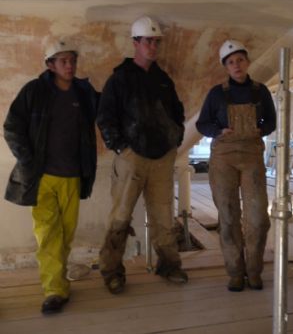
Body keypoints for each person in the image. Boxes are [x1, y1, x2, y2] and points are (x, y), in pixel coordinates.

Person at [3, 39, 99, 315]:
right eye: (63, 61)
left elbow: (105, 110)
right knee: (48, 235)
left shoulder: (83, 92)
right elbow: (12, 127)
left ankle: (59, 283)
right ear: (50, 65)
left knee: (65, 235)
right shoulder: (34, 91)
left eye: (72, 60)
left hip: (73, 177)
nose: (69, 66)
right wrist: (29, 160)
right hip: (42, 178)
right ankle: (54, 291)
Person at [97, 16, 187, 294]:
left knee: (163, 216)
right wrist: (121, 148)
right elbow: (105, 117)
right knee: (120, 217)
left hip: (162, 159)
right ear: (135, 43)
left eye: (156, 41)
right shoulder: (120, 79)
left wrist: (175, 141)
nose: (153, 46)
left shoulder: (162, 80)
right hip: (131, 158)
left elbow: (178, 114)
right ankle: (112, 271)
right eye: (148, 41)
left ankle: (169, 265)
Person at [196, 40, 276, 292]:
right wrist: (219, 130)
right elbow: (202, 124)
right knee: (229, 217)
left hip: (251, 155)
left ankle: (253, 271)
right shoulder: (216, 93)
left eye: (240, 60)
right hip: (224, 157)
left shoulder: (260, 91)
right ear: (226, 67)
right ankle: (234, 272)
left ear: (247, 62)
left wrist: (261, 129)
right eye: (231, 62)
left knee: (257, 217)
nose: (236, 65)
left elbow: (271, 121)